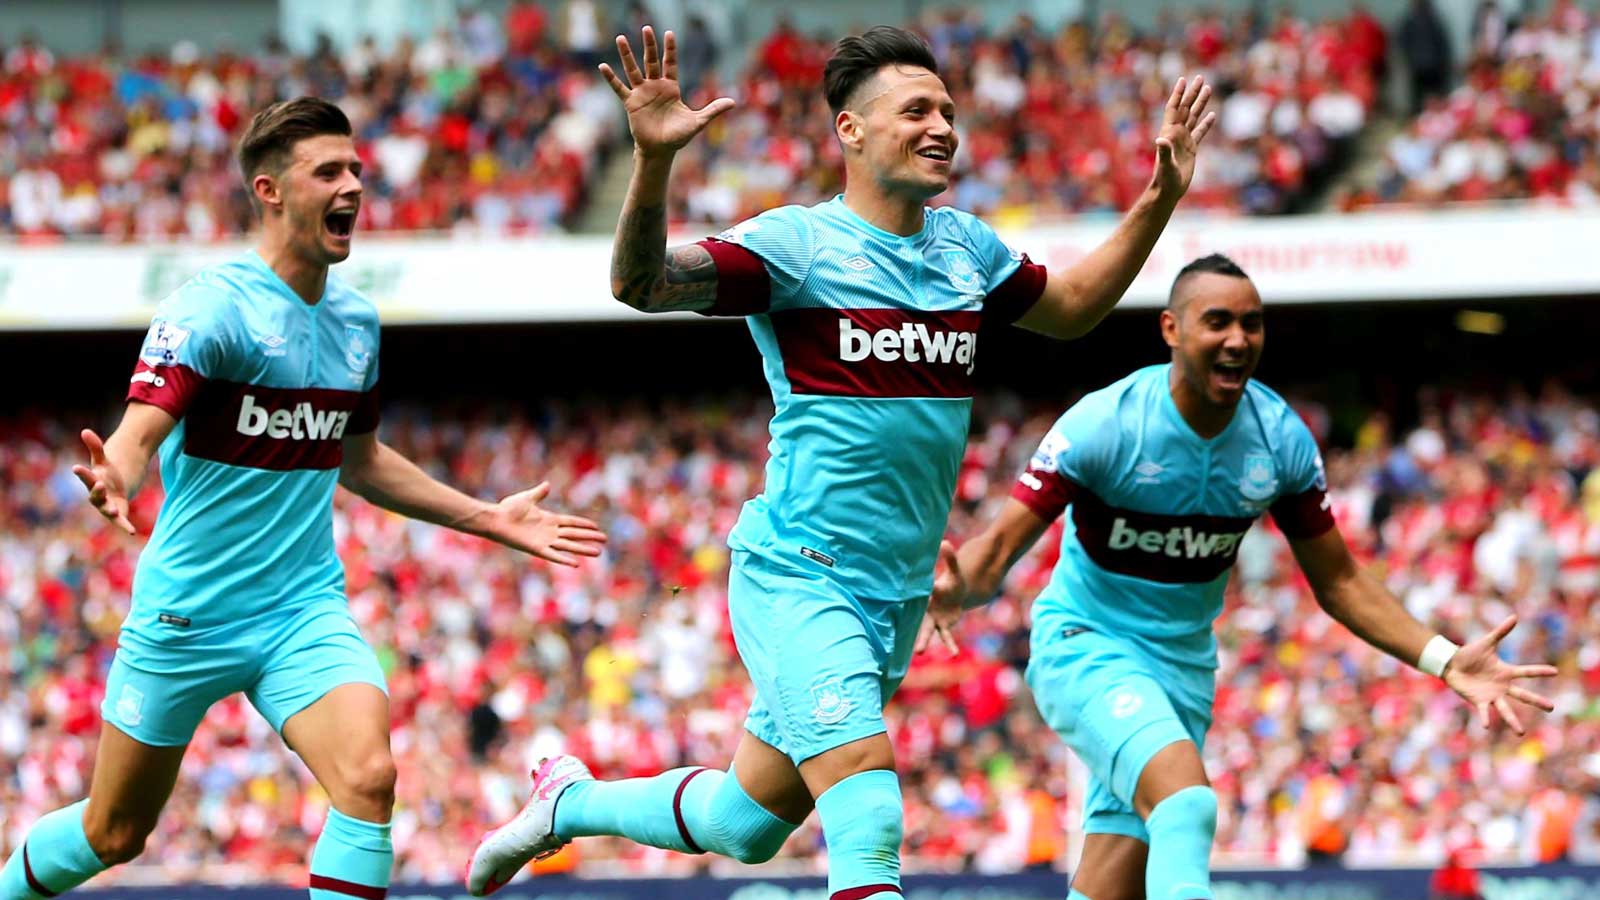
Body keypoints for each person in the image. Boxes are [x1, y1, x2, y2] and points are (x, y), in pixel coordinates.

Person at [466, 24, 1217, 898]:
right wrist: (655, 162)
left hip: (891, 598)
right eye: (916, 111)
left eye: (947, 110)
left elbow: (1077, 308)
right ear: (851, 131)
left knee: (741, 824)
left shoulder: (966, 249)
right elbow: (642, 284)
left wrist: (1160, 198)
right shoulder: (797, 247)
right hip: (799, 578)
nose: (942, 127)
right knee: (868, 813)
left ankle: (567, 804)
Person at [0, 97, 606, 900]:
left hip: (300, 610)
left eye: (355, 168)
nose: (353, 184)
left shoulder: (355, 321)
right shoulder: (212, 306)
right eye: (329, 171)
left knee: (368, 777)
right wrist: (118, 470)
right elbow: (140, 431)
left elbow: (361, 461)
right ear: (270, 190)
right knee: (114, 833)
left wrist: (487, 517)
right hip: (189, 611)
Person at [919, 253, 1558, 900]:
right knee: (1188, 805)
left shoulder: (1279, 441)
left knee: (1115, 883)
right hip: (1086, 648)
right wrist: (953, 587)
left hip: (1183, 673)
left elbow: (1338, 581)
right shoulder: (1106, 425)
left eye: (1252, 325)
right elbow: (995, 551)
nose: (1237, 340)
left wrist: (1446, 659)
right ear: (1171, 329)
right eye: (1217, 322)